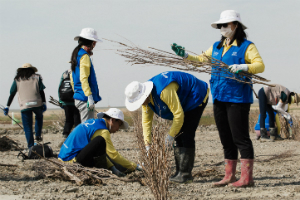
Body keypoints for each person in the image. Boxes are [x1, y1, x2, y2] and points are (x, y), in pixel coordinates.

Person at [171, 10, 265, 187]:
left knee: (240, 138)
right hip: (219, 98)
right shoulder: (216, 47)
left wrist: (243, 66)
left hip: (238, 99)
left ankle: (247, 178)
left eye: (225, 25)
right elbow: (200, 59)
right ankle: (229, 175)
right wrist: (184, 55)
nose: (222, 28)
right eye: (220, 25)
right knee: (225, 138)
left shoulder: (247, 46)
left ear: (235, 25)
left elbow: (260, 65)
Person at [124, 71, 209, 183]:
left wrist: (170, 136)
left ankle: (185, 175)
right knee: (178, 135)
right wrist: (147, 145)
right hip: (183, 101)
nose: (141, 104)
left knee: (186, 134)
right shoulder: (147, 101)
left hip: (195, 95)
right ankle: (179, 173)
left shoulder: (163, 91)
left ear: (144, 95)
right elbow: (146, 122)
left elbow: (178, 115)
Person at [58, 108, 142, 177]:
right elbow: (114, 155)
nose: (118, 129)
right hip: (71, 161)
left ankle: (112, 168)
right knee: (100, 141)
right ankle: (104, 172)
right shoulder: (103, 131)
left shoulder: (93, 123)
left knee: (102, 147)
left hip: (62, 158)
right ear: (112, 120)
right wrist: (135, 166)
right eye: (119, 125)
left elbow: (100, 152)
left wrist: (112, 167)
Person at [3, 63, 47, 150]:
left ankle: (30, 146)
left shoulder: (17, 79)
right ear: (32, 70)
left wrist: (7, 106)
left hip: (24, 105)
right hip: (37, 103)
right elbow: (42, 92)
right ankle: (38, 135)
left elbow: (12, 94)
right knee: (39, 117)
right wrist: (44, 103)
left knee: (28, 127)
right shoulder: (37, 77)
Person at [70, 28, 102, 122]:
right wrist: (89, 96)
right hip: (84, 98)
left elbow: (72, 77)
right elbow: (83, 77)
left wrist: (77, 91)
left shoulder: (77, 54)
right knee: (88, 126)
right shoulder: (84, 56)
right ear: (91, 42)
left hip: (79, 96)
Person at [58, 69, 81, 138]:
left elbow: (60, 87)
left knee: (68, 120)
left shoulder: (65, 73)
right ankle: (78, 136)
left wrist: (61, 101)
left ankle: (65, 135)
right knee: (77, 120)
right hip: (76, 100)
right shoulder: (79, 71)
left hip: (65, 101)